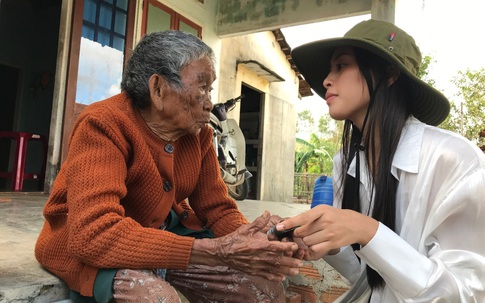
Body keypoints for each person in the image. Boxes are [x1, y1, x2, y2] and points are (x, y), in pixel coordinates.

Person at [35, 30, 303, 303]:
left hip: (164, 236)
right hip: (98, 247)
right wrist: (213, 250)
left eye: (210, 90)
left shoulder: (198, 134)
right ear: (158, 89)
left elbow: (217, 210)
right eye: (202, 88)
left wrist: (257, 238)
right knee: (156, 298)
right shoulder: (103, 124)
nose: (210, 103)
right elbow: (94, 234)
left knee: (261, 288)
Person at [278, 19, 485, 302]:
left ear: (388, 75)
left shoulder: (454, 160)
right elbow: (373, 281)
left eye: (341, 66)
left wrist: (367, 230)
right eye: (330, 69)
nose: (327, 80)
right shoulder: (345, 162)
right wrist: (331, 245)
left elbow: (466, 294)